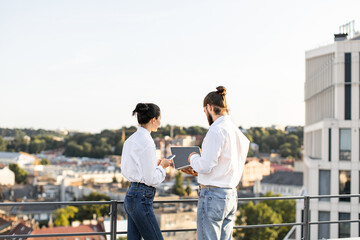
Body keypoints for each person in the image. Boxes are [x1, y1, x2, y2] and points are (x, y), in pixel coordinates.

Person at [182, 86, 250, 240]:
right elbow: (225, 165)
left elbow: (206, 165)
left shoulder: (216, 130)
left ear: (209, 107)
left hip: (212, 195)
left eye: (205, 111)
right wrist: (198, 169)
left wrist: (193, 157)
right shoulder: (238, 133)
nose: (206, 114)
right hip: (231, 195)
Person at [121, 103, 172, 240]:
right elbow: (151, 179)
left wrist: (152, 167)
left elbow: (127, 170)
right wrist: (162, 167)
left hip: (130, 195)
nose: (160, 123)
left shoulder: (130, 140)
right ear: (153, 120)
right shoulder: (148, 142)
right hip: (142, 198)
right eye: (159, 119)